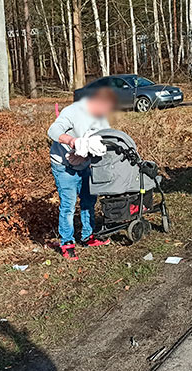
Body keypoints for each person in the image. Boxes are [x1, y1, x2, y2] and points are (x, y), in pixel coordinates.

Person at [47, 88, 117, 260]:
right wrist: (71, 140)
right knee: (69, 206)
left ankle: (88, 236)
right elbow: (53, 131)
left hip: (84, 164)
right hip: (64, 166)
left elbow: (106, 135)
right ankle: (67, 243)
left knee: (88, 201)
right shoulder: (71, 112)